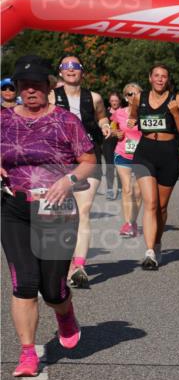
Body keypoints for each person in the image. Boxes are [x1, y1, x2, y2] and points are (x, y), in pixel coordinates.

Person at [1, 55, 96, 377]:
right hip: (14, 208)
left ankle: (64, 312)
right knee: (24, 283)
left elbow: (88, 161)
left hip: (56, 210)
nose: (30, 91)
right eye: (24, 85)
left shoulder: (65, 121)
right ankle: (28, 353)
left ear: (49, 87)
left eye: (37, 85)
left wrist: (68, 181)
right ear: (17, 88)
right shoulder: (3, 120)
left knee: (52, 289)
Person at [51, 55, 111, 289]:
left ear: (82, 71)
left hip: (88, 157)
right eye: (66, 67)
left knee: (83, 211)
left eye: (75, 66)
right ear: (60, 72)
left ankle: (78, 267)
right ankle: (62, 263)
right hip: (59, 160)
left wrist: (105, 125)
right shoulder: (50, 96)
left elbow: (102, 116)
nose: (71, 70)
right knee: (61, 215)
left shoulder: (94, 97)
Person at [128, 64, 179, 270]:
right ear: (150, 78)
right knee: (151, 203)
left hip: (168, 154)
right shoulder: (139, 97)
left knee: (161, 207)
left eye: (164, 76)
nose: (160, 79)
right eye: (156, 75)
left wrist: (175, 114)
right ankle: (148, 252)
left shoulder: (176, 99)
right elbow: (133, 116)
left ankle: (157, 243)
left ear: (167, 79)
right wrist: (131, 122)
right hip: (145, 152)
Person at [110, 83, 143, 238]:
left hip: (142, 155)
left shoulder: (145, 114)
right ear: (125, 97)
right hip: (122, 154)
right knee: (127, 188)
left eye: (137, 93)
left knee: (138, 191)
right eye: (130, 94)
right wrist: (115, 133)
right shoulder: (119, 113)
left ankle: (133, 221)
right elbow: (112, 127)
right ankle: (128, 224)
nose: (133, 96)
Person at [102, 92, 122, 200]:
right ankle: (110, 190)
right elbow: (102, 127)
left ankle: (120, 190)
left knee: (120, 167)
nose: (114, 103)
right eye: (112, 101)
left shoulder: (124, 112)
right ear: (109, 101)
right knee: (110, 166)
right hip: (108, 143)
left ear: (120, 101)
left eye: (116, 100)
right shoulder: (105, 114)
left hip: (121, 142)